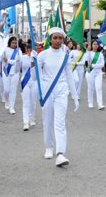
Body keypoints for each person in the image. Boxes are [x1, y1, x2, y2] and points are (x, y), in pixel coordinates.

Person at [37, 27, 79, 167]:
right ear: (50, 39)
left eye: (60, 38)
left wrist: (75, 95)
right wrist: (33, 62)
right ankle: (49, 146)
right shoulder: (42, 55)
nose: (57, 40)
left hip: (62, 91)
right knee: (47, 120)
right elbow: (34, 76)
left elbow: (69, 76)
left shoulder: (66, 56)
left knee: (60, 122)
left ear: (63, 40)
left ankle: (60, 153)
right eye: (55, 38)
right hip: (47, 91)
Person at [2, 37, 21, 115]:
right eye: (13, 42)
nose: (14, 44)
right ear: (9, 42)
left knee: (13, 90)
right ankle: (7, 100)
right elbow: (3, 60)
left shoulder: (18, 51)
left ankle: (12, 107)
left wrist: (9, 61)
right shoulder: (4, 50)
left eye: (15, 42)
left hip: (15, 72)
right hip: (6, 72)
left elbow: (19, 61)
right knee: (7, 90)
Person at [20, 44, 37, 131]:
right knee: (26, 102)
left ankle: (32, 118)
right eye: (28, 49)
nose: (29, 50)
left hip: (34, 81)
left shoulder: (35, 57)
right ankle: (25, 122)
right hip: (25, 82)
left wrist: (33, 59)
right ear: (26, 50)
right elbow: (17, 69)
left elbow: (36, 69)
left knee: (33, 102)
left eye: (30, 49)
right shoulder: (22, 58)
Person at [85, 40, 105, 110]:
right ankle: (90, 102)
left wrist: (93, 65)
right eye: (94, 44)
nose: (96, 45)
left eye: (97, 44)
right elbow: (86, 62)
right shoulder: (89, 53)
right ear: (91, 45)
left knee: (99, 87)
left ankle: (100, 104)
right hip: (90, 73)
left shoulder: (100, 54)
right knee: (91, 88)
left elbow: (102, 65)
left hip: (98, 73)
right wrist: (87, 51)